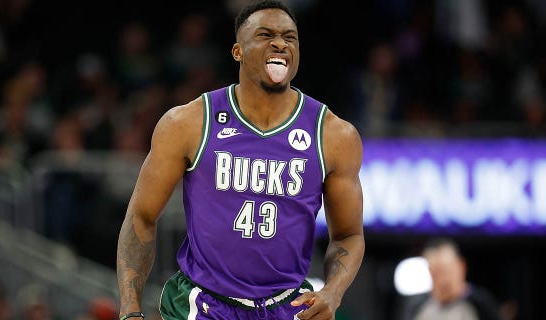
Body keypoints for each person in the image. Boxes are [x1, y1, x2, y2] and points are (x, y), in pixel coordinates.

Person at [116, 1, 365, 319]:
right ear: (238, 52)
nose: (280, 43)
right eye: (266, 34)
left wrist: (333, 292)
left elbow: (349, 235)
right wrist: (129, 308)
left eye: (290, 37)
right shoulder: (189, 122)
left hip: (285, 304)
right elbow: (141, 216)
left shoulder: (334, 134)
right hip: (201, 303)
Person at [402, 238, 502, 320]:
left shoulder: (481, 304)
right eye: (437, 272)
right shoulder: (418, 306)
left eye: (447, 271)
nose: (443, 280)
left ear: (461, 266)